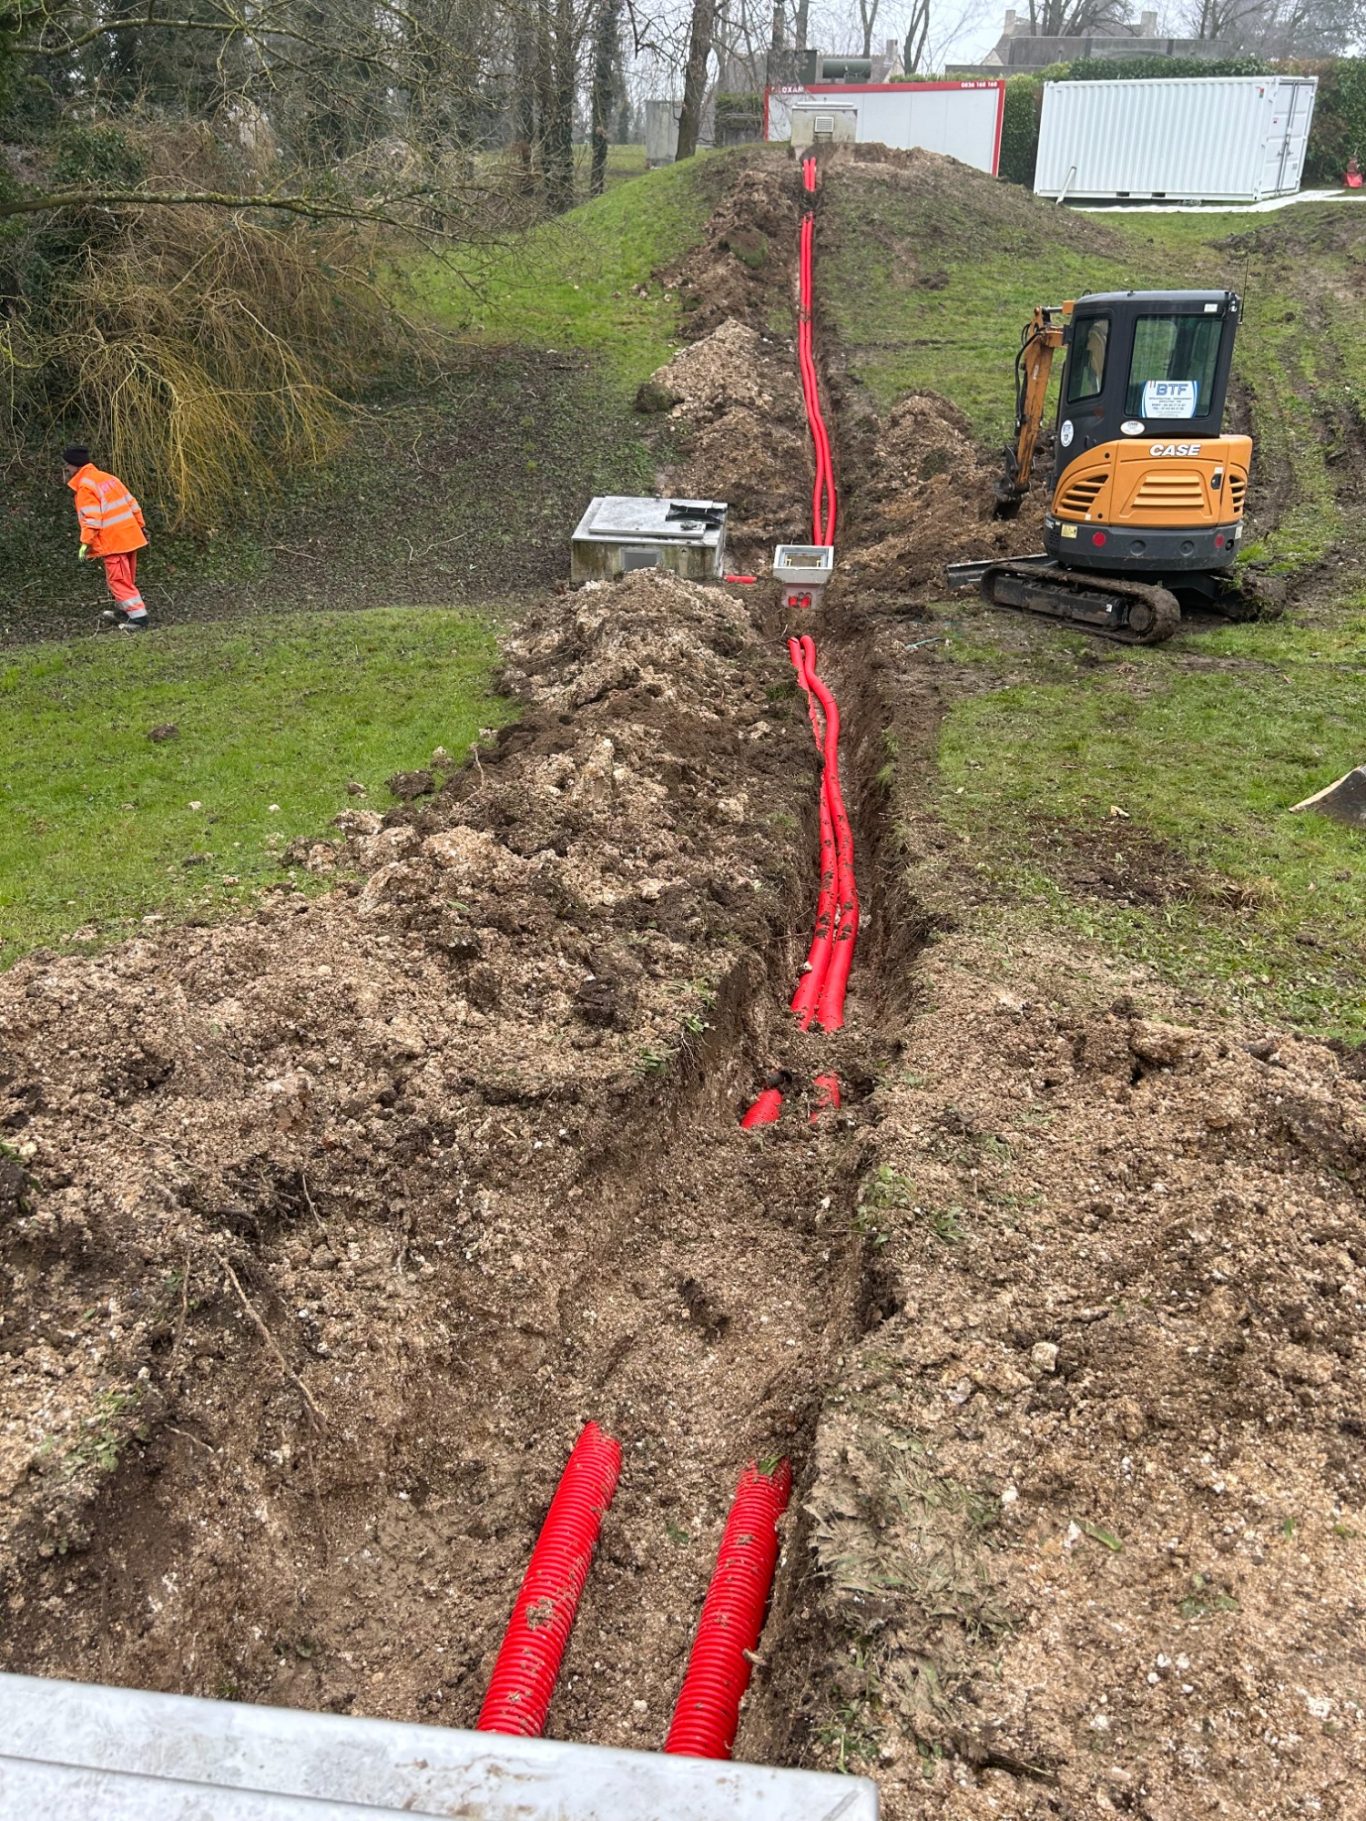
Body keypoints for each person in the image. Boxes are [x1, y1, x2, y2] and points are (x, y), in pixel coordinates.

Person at [62, 446, 150, 632]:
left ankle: (139, 618)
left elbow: (92, 519)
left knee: (118, 581)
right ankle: (126, 611)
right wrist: (141, 526)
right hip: (130, 535)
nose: (67, 470)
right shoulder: (108, 478)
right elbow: (132, 503)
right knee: (126, 579)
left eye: (67, 466)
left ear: (74, 465)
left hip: (113, 541)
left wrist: (85, 543)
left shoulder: (85, 487)